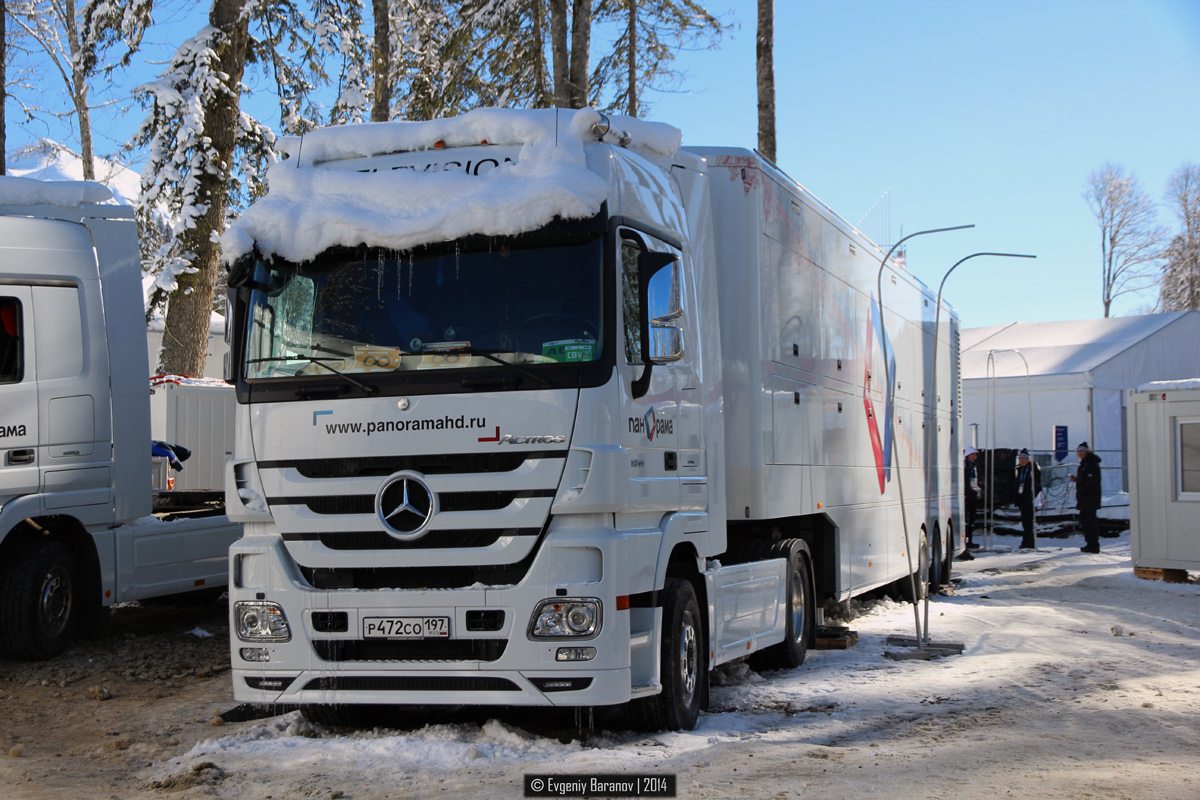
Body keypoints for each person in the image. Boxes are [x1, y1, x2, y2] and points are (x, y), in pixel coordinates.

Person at [1070, 442, 1102, 553]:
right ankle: (1090, 543)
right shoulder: (1085, 464)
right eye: (1078, 451)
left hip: (1089, 498)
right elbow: (1086, 479)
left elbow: (1091, 481)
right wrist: (1077, 479)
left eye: (1081, 451)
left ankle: (1093, 545)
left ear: (1086, 451)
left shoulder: (1091, 464)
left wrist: (1082, 491)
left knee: (1090, 522)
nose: (1079, 453)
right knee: (1086, 522)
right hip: (1085, 498)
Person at [1015, 448, 1042, 550]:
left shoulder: (1032, 469)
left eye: (1023, 459)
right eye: (1020, 458)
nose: (1022, 460)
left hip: (1030, 499)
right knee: (1024, 522)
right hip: (1022, 498)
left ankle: (1029, 541)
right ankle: (1026, 541)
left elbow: (1038, 484)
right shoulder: (1020, 469)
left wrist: (1032, 496)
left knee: (1029, 521)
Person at [963, 447, 983, 554]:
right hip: (966, 496)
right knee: (966, 519)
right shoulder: (965, 466)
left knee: (972, 519)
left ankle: (970, 540)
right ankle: (965, 541)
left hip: (973, 495)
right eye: (972, 455)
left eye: (975, 455)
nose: (974, 457)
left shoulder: (973, 466)